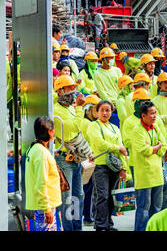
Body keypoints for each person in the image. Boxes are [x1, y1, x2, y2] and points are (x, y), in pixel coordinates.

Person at [53, 75, 88, 231]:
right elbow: (73, 130)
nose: (73, 92)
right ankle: (68, 228)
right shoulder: (56, 110)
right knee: (67, 199)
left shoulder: (69, 108)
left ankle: (76, 226)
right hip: (64, 160)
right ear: (60, 91)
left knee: (77, 196)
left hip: (75, 158)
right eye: (69, 88)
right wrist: (80, 107)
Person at [87, 100, 128, 231]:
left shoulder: (115, 128)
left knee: (110, 196)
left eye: (108, 110)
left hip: (114, 166)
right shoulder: (94, 126)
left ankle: (108, 224)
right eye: (102, 110)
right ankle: (100, 225)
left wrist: (124, 168)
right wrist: (117, 148)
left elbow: (123, 151)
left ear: (111, 112)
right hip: (100, 166)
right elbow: (100, 144)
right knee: (102, 195)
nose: (105, 113)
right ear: (97, 112)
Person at [133, 101, 167, 231]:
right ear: (143, 116)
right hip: (144, 177)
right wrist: (155, 148)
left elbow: (164, 146)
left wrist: (154, 148)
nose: (154, 116)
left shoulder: (156, 127)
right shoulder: (137, 130)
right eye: (152, 114)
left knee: (157, 209)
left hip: (158, 176)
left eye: (155, 113)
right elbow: (144, 150)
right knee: (143, 210)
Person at [25, 117, 62, 231]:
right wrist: (47, 209)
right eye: (53, 129)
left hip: (43, 203)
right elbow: (41, 183)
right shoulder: (41, 153)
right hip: (45, 205)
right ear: (49, 131)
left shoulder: (34, 148)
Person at [152, 72, 167, 209]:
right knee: (165, 178)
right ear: (159, 85)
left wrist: (166, 117)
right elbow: (157, 119)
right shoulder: (155, 101)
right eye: (164, 82)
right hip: (162, 145)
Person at [120, 88, 152, 180]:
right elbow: (127, 142)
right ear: (136, 103)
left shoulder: (154, 119)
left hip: (153, 161)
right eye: (143, 103)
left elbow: (161, 140)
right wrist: (144, 143)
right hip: (137, 162)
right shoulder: (129, 122)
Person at [80, 94, 100, 226]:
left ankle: (88, 215)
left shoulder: (88, 122)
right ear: (88, 110)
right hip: (88, 159)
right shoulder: (87, 124)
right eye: (96, 108)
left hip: (88, 158)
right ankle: (87, 216)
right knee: (88, 190)